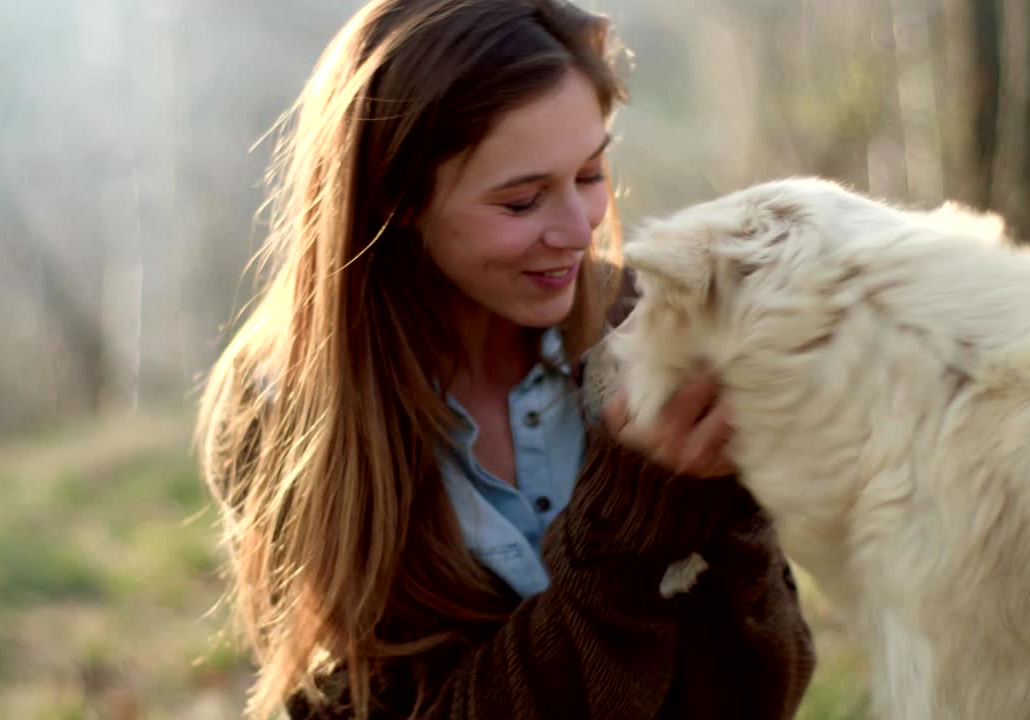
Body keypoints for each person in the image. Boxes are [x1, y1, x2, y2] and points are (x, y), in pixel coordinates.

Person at [195, 0, 816, 717]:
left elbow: (763, 691)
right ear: (396, 198)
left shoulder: (656, 329)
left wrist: (720, 504)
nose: (577, 231)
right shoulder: (283, 414)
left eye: (589, 174)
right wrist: (629, 532)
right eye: (521, 202)